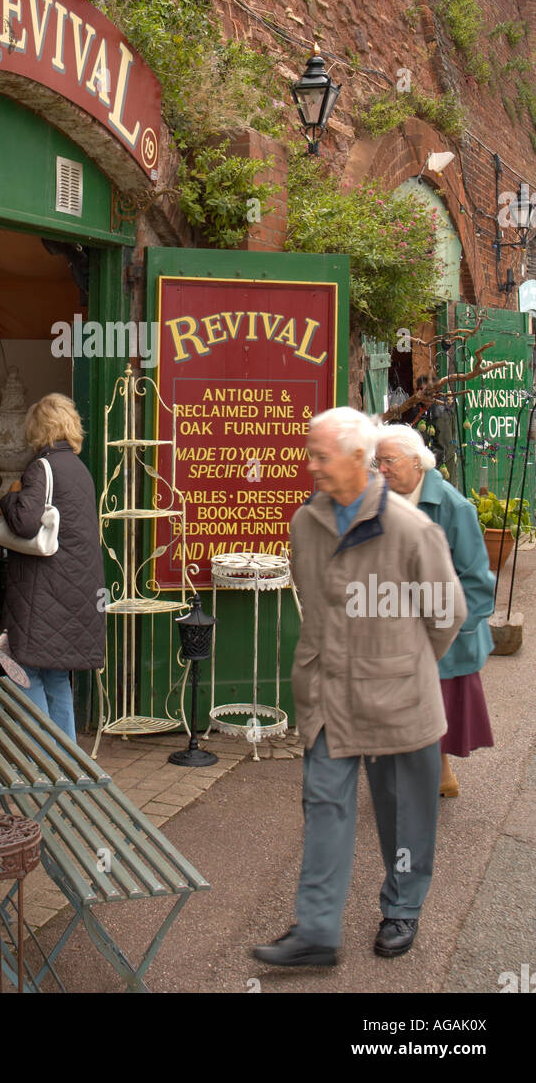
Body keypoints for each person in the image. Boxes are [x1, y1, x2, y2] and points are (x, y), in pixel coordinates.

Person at [253, 407, 465, 968]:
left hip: (398, 699)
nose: (311, 465)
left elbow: (446, 615)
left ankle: (403, 907)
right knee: (324, 804)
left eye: (321, 455)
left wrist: (404, 663)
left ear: (356, 458)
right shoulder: (305, 523)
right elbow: (314, 601)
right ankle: (318, 932)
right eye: (309, 453)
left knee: (403, 814)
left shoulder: (411, 528)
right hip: (328, 692)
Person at [374, 422, 495, 798]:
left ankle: (423, 779)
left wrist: (447, 634)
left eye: (389, 461)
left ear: (417, 462)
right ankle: (434, 775)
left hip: (442, 635)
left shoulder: (454, 508)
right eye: (378, 461)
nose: (381, 469)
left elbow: (476, 582)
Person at [0, 393, 105, 741]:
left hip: (42, 594)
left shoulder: (40, 468)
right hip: (74, 593)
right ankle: (67, 758)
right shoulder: (79, 469)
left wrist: (11, 494)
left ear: (38, 429)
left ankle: (40, 760)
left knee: (25, 671)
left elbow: (25, 523)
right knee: (57, 676)